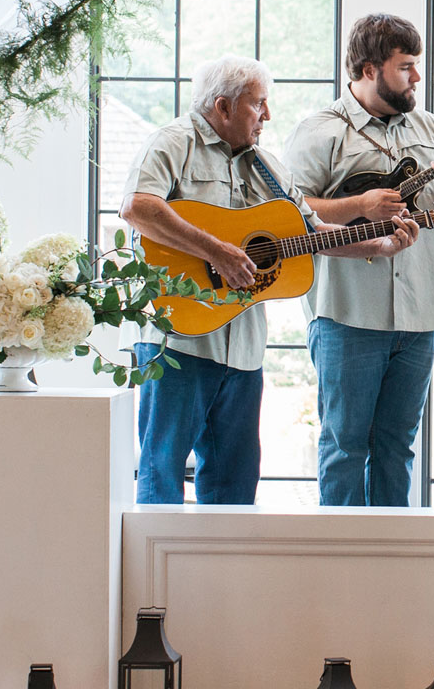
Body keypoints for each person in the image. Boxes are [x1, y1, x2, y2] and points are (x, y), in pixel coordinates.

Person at [120, 56, 418, 505]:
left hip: (242, 348)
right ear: (223, 106)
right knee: (162, 470)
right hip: (177, 341)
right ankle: (156, 555)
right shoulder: (172, 143)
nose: (268, 115)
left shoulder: (266, 166)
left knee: (235, 483)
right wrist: (217, 251)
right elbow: (138, 208)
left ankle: (225, 555)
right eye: (258, 104)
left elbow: (314, 234)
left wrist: (380, 245)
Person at [285, 13, 434, 507]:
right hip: (347, 316)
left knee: (397, 448)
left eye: (416, 65)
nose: (417, 77)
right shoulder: (319, 131)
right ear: (369, 69)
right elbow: (289, 215)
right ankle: (341, 552)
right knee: (345, 447)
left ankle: (392, 550)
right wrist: (361, 205)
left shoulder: (433, 128)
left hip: (419, 316)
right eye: (406, 67)